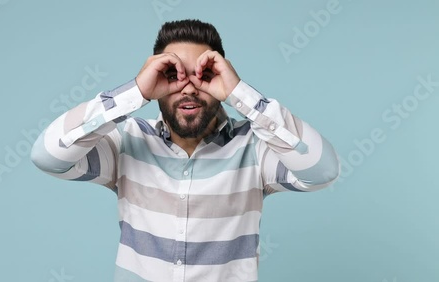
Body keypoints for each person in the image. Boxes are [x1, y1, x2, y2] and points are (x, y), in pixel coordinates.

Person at [31, 19, 340, 282]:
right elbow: (48, 156)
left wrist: (240, 94)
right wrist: (134, 92)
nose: (189, 88)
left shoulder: (255, 148)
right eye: (172, 75)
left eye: (204, 76)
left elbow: (322, 170)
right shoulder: (128, 141)